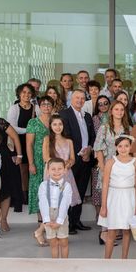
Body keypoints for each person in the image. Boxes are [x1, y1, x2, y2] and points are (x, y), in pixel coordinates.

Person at [98, 135, 136, 259]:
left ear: (130, 147)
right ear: (116, 147)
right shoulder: (111, 162)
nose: (123, 149)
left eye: (126, 146)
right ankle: (107, 259)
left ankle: (124, 259)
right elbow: (105, 184)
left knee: (127, 230)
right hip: (114, 197)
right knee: (112, 230)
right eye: (120, 146)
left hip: (129, 197)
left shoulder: (135, 163)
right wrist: (104, 206)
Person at [59, 89, 96, 234]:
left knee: (80, 191)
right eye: (77, 98)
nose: (80, 100)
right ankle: (68, 224)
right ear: (71, 99)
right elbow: (65, 136)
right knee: (69, 192)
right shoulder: (64, 114)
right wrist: (80, 152)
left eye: (82, 98)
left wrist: (89, 150)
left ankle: (76, 221)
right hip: (72, 159)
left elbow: (92, 135)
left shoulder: (87, 116)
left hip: (86, 159)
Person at [94, 101, 131, 241]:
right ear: (111, 111)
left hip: (123, 169)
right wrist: (103, 169)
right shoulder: (104, 128)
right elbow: (98, 149)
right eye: (116, 109)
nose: (119, 112)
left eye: (122, 109)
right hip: (108, 165)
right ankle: (104, 232)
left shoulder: (127, 128)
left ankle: (118, 228)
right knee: (107, 200)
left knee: (120, 199)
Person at [26, 96, 54, 246]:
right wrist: (31, 163)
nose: (46, 107)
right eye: (43, 104)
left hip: (52, 163)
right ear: (39, 106)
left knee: (52, 195)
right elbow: (29, 144)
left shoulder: (56, 120)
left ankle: (47, 227)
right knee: (40, 193)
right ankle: (41, 225)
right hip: (37, 161)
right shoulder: (33, 122)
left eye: (49, 104)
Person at [42, 114, 82, 212]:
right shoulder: (47, 139)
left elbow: (72, 159)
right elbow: (46, 158)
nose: (58, 127)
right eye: (55, 124)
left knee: (65, 202)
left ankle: (64, 224)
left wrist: (69, 164)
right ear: (50, 126)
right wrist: (60, 164)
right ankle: (51, 225)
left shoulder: (69, 141)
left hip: (66, 173)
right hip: (52, 173)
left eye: (60, 124)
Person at [7, 83, 37, 203]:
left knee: (30, 168)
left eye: (29, 92)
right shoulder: (14, 108)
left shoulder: (36, 108)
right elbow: (11, 127)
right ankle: (21, 194)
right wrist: (28, 131)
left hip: (32, 142)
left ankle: (29, 193)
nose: (26, 95)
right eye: (24, 92)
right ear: (19, 94)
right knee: (20, 170)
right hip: (18, 142)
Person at [38, 158, 73, 258]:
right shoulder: (43, 185)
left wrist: (59, 220)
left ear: (65, 170)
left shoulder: (67, 186)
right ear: (48, 171)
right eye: (53, 169)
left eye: (60, 169)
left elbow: (65, 203)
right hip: (48, 214)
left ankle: (64, 265)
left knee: (63, 242)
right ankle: (55, 266)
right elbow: (43, 202)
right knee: (53, 243)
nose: (56, 171)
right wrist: (46, 220)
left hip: (62, 214)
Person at [90, 95, 111, 222]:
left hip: (112, 156)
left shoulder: (114, 117)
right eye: (100, 104)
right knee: (98, 187)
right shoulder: (94, 119)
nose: (103, 106)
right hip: (98, 156)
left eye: (105, 103)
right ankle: (99, 216)